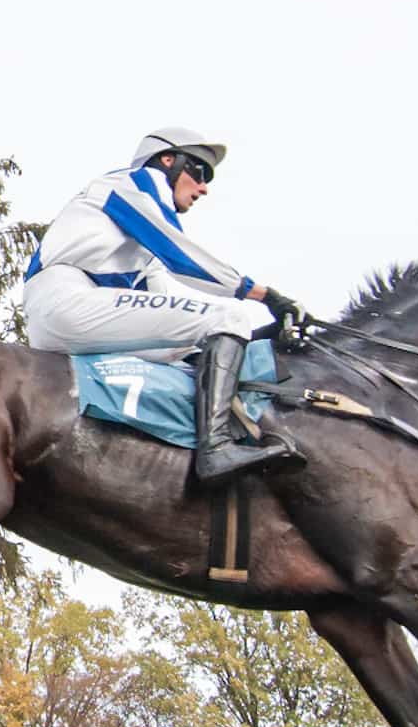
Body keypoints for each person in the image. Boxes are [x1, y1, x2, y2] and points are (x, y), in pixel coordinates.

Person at [22, 126, 306, 486]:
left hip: (72, 311)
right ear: (167, 161)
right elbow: (183, 258)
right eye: (200, 172)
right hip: (67, 300)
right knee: (229, 314)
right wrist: (266, 296)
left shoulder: (135, 242)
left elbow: (174, 310)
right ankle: (215, 449)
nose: (204, 188)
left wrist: (255, 336)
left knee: (200, 343)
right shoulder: (137, 182)